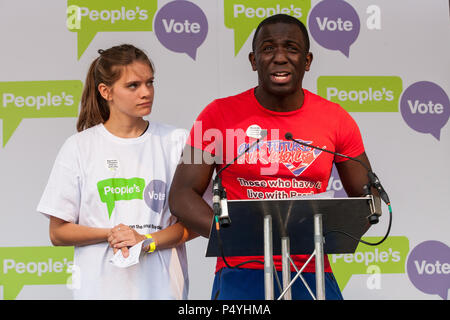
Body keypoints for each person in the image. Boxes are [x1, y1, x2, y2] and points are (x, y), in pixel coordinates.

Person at [169, 14, 377, 300]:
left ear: (307, 61)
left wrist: (329, 235)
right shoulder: (216, 115)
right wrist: (236, 236)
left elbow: (368, 198)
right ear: (254, 61)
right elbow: (181, 195)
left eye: (291, 48)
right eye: (268, 48)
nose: (280, 57)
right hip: (241, 269)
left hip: (312, 270)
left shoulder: (336, 119)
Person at [37, 44, 196, 299]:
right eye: (133, 85)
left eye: (150, 82)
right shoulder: (78, 147)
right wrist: (112, 234)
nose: (146, 92)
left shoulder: (179, 141)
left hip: (164, 290)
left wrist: (146, 241)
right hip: (98, 290)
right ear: (105, 91)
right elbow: (57, 232)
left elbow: (196, 223)